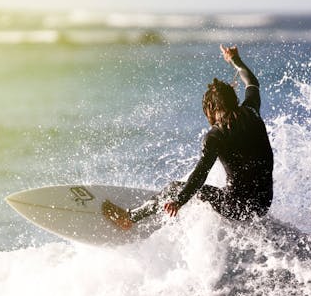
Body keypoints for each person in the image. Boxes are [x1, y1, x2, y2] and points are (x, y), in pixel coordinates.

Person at [103, 44, 273, 230]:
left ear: (212, 109)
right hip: (262, 205)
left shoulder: (216, 135)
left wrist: (179, 200)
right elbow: (252, 82)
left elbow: (200, 174)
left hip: (238, 208)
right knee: (216, 190)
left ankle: (129, 218)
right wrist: (235, 60)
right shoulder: (251, 110)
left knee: (174, 187)